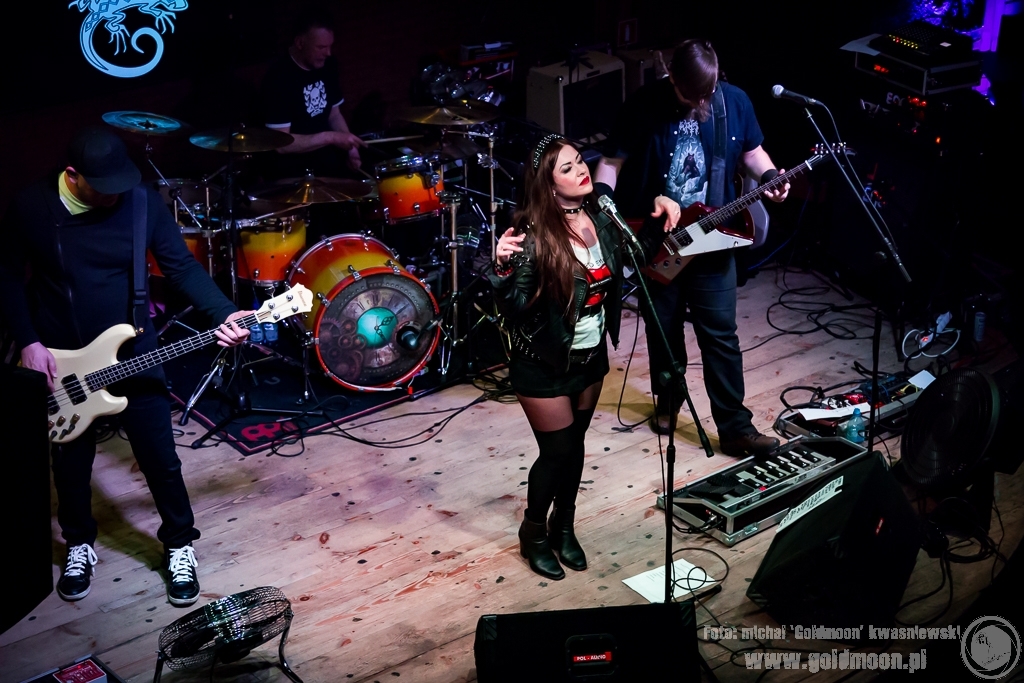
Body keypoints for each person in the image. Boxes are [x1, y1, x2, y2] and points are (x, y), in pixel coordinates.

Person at [0, 126, 251, 606]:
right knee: (70, 464)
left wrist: (223, 313)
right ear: (72, 175)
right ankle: (79, 543)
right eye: (103, 187)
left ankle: (179, 544)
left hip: (134, 351)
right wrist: (29, 342)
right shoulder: (31, 206)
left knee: (160, 457)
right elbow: (7, 276)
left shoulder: (141, 202)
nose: (115, 196)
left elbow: (181, 267)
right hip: (60, 356)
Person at [491, 134, 679, 580]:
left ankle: (564, 527)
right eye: (567, 168)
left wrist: (660, 216)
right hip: (543, 361)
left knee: (574, 447)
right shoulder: (532, 235)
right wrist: (501, 267)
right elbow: (513, 307)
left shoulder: (603, 212)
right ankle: (534, 533)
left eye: (580, 161)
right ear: (548, 185)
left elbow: (634, 258)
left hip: (590, 356)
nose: (581, 170)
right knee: (557, 452)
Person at [595, 39, 790, 457]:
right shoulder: (643, 105)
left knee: (721, 336)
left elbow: (752, 152)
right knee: (663, 332)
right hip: (658, 239)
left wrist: (770, 174)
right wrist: (604, 206)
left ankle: (735, 428)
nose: (701, 102)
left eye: (707, 93)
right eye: (691, 96)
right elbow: (611, 163)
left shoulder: (733, 102)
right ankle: (668, 401)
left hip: (713, 240)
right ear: (672, 78)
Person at [259, 5, 367, 179]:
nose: (328, 53)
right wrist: (331, 137)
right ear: (300, 43)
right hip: (292, 173)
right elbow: (281, 144)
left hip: (327, 164)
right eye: (321, 47)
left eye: (330, 46)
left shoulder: (328, 64)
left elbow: (334, 115)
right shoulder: (278, 78)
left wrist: (351, 149)